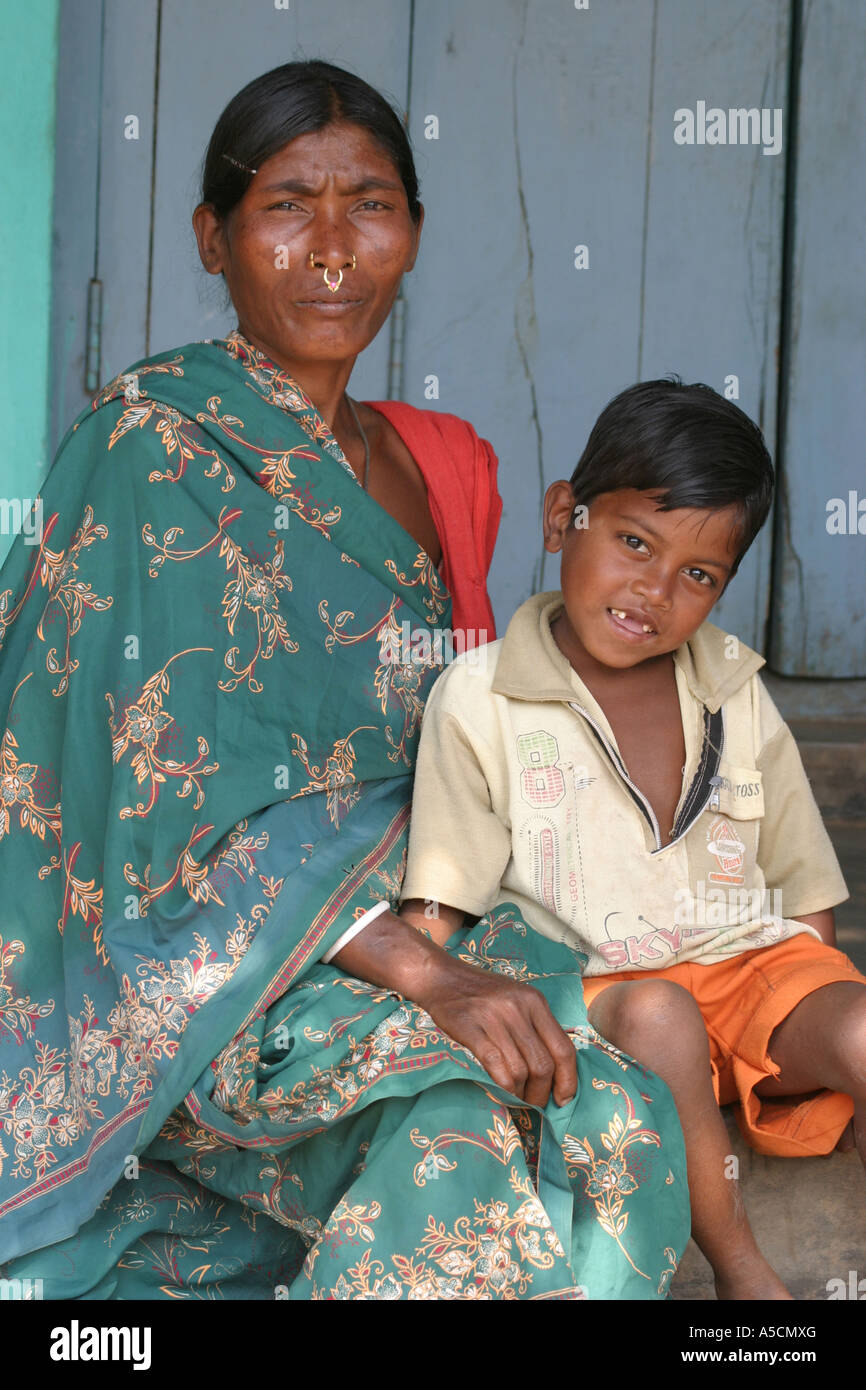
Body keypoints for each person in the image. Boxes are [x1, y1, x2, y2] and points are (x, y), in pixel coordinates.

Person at [0, 62, 688, 1300]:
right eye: (285, 205)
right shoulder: (150, 443)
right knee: (469, 1135)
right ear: (213, 238)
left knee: (612, 1118)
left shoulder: (414, 464)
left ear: (412, 233)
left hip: (401, 923)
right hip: (190, 969)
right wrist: (429, 975)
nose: (331, 247)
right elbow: (135, 801)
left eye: (369, 203)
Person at [399, 377, 866, 1300]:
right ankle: (744, 1276)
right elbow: (439, 909)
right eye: (632, 543)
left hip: (745, 976)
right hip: (603, 991)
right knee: (661, 1015)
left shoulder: (735, 689)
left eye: (698, 575)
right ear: (561, 516)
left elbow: (806, 897)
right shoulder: (481, 696)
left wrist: (805, 1040)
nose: (653, 591)